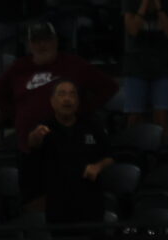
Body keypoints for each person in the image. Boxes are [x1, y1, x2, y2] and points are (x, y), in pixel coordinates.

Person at [0, 21, 116, 150]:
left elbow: (108, 87)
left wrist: (83, 110)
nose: (41, 45)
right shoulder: (19, 67)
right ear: (30, 45)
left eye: (46, 39)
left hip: (67, 140)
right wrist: (17, 113)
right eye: (36, 41)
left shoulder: (73, 64)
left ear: (55, 41)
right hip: (29, 142)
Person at [22, 80, 112, 225]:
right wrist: (34, 137)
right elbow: (32, 143)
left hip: (90, 200)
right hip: (58, 202)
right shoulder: (44, 128)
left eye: (72, 94)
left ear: (77, 101)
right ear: (52, 101)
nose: (67, 99)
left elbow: (110, 156)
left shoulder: (92, 125)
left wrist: (98, 166)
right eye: (62, 94)